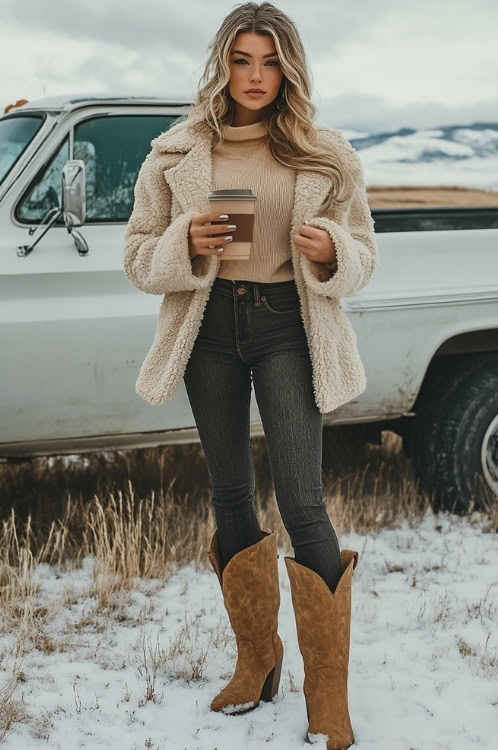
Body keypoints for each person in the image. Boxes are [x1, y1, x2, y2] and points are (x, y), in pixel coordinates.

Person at [123, 3, 378, 747]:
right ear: (223, 64)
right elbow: (139, 255)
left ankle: (327, 697)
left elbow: (363, 248)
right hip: (209, 331)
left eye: (270, 61)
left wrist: (330, 247)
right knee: (230, 492)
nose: (257, 76)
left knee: (304, 502)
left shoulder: (325, 153)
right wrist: (184, 239)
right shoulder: (175, 153)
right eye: (243, 60)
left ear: (288, 68)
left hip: (288, 328)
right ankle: (257, 660)